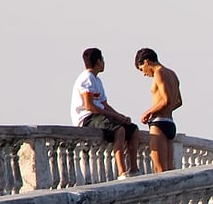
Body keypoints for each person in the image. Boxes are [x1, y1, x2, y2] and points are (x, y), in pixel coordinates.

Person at [70, 48, 140, 178]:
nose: (104, 63)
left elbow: (104, 105)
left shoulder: (97, 80)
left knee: (133, 129)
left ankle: (134, 169)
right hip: (88, 117)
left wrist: (121, 117)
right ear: (98, 62)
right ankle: (121, 172)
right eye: (102, 60)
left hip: (100, 115)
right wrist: (115, 117)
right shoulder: (87, 78)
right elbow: (90, 106)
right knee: (119, 131)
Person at [135, 48, 184, 172]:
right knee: (169, 170)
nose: (144, 74)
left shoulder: (159, 73)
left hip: (159, 124)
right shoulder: (172, 74)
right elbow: (178, 102)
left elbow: (166, 100)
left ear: (146, 62)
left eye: (142, 69)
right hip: (170, 123)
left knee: (159, 170)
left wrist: (148, 112)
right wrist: (165, 110)